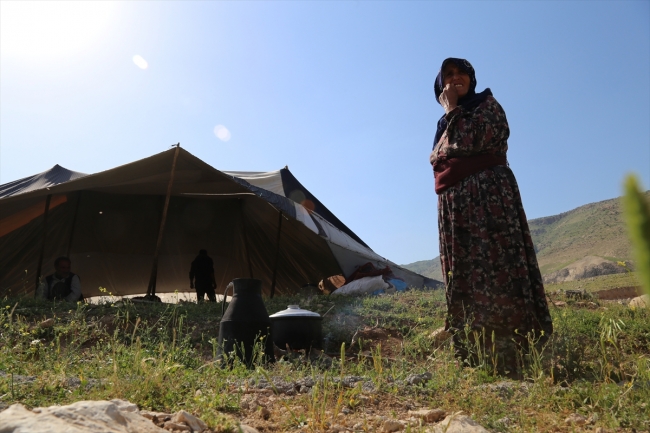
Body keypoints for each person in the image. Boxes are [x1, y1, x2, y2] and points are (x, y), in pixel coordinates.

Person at [430, 58, 553, 374]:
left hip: (488, 201)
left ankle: (515, 355)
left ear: (471, 80)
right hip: (455, 210)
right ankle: (472, 352)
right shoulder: (443, 125)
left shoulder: (487, 105)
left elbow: (473, 140)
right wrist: (450, 117)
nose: (455, 78)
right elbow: (439, 160)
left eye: (461, 73)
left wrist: (453, 110)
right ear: (439, 85)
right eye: (448, 75)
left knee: (496, 267)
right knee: (462, 276)